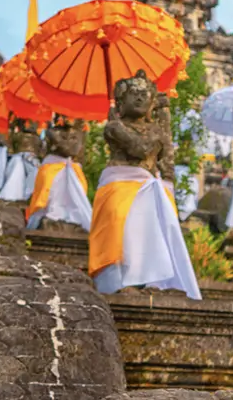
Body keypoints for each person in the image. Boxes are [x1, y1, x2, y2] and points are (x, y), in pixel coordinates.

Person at [89, 70, 200, 300]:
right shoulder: (113, 127)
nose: (139, 98)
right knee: (119, 224)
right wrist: (121, 124)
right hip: (119, 184)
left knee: (155, 228)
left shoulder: (157, 128)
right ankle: (119, 281)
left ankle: (153, 280)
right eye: (133, 93)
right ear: (120, 101)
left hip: (150, 185)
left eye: (144, 94)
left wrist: (165, 119)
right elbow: (140, 149)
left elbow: (165, 157)